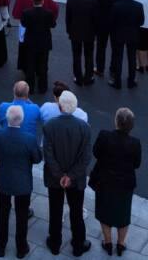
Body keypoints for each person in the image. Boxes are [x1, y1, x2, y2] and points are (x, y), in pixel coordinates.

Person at [0, 104, 43, 258]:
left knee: (2, 214)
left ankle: (0, 246)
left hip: (4, 180)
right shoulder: (29, 139)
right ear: (22, 120)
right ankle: (21, 248)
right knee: (22, 216)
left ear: (7, 118)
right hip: (23, 183)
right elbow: (37, 159)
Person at [43, 91, 93, 257]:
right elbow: (85, 158)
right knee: (76, 212)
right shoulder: (84, 128)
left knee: (55, 210)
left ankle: (55, 243)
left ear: (60, 106)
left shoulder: (49, 126)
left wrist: (60, 175)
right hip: (76, 179)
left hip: (54, 178)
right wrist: (70, 176)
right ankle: (78, 245)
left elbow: (48, 154)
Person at [90, 107, 141, 256]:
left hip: (104, 180)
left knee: (104, 212)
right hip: (125, 184)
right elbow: (137, 164)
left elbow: (96, 153)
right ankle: (120, 243)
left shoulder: (104, 136)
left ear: (116, 122)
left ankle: (107, 242)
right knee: (123, 214)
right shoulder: (135, 143)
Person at [20, 0, 56, 94]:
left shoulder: (26, 12)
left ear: (32, 0)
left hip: (30, 42)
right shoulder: (48, 13)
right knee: (43, 65)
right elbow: (53, 25)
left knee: (30, 65)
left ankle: (30, 88)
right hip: (44, 42)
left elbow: (23, 23)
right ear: (43, 0)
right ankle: (42, 87)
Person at [108, 0, 142, 89]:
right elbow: (141, 21)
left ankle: (117, 82)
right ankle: (131, 81)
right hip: (133, 35)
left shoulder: (117, 5)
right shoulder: (138, 5)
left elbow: (112, 22)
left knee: (118, 58)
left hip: (119, 35)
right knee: (132, 59)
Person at [65, 0, 97, 87]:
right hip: (89, 33)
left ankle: (78, 77)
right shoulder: (93, 1)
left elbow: (68, 18)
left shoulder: (70, 0)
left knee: (76, 55)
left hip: (75, 32)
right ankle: (89, 77)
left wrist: (69, 31)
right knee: (89, 55)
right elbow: (95, 19)